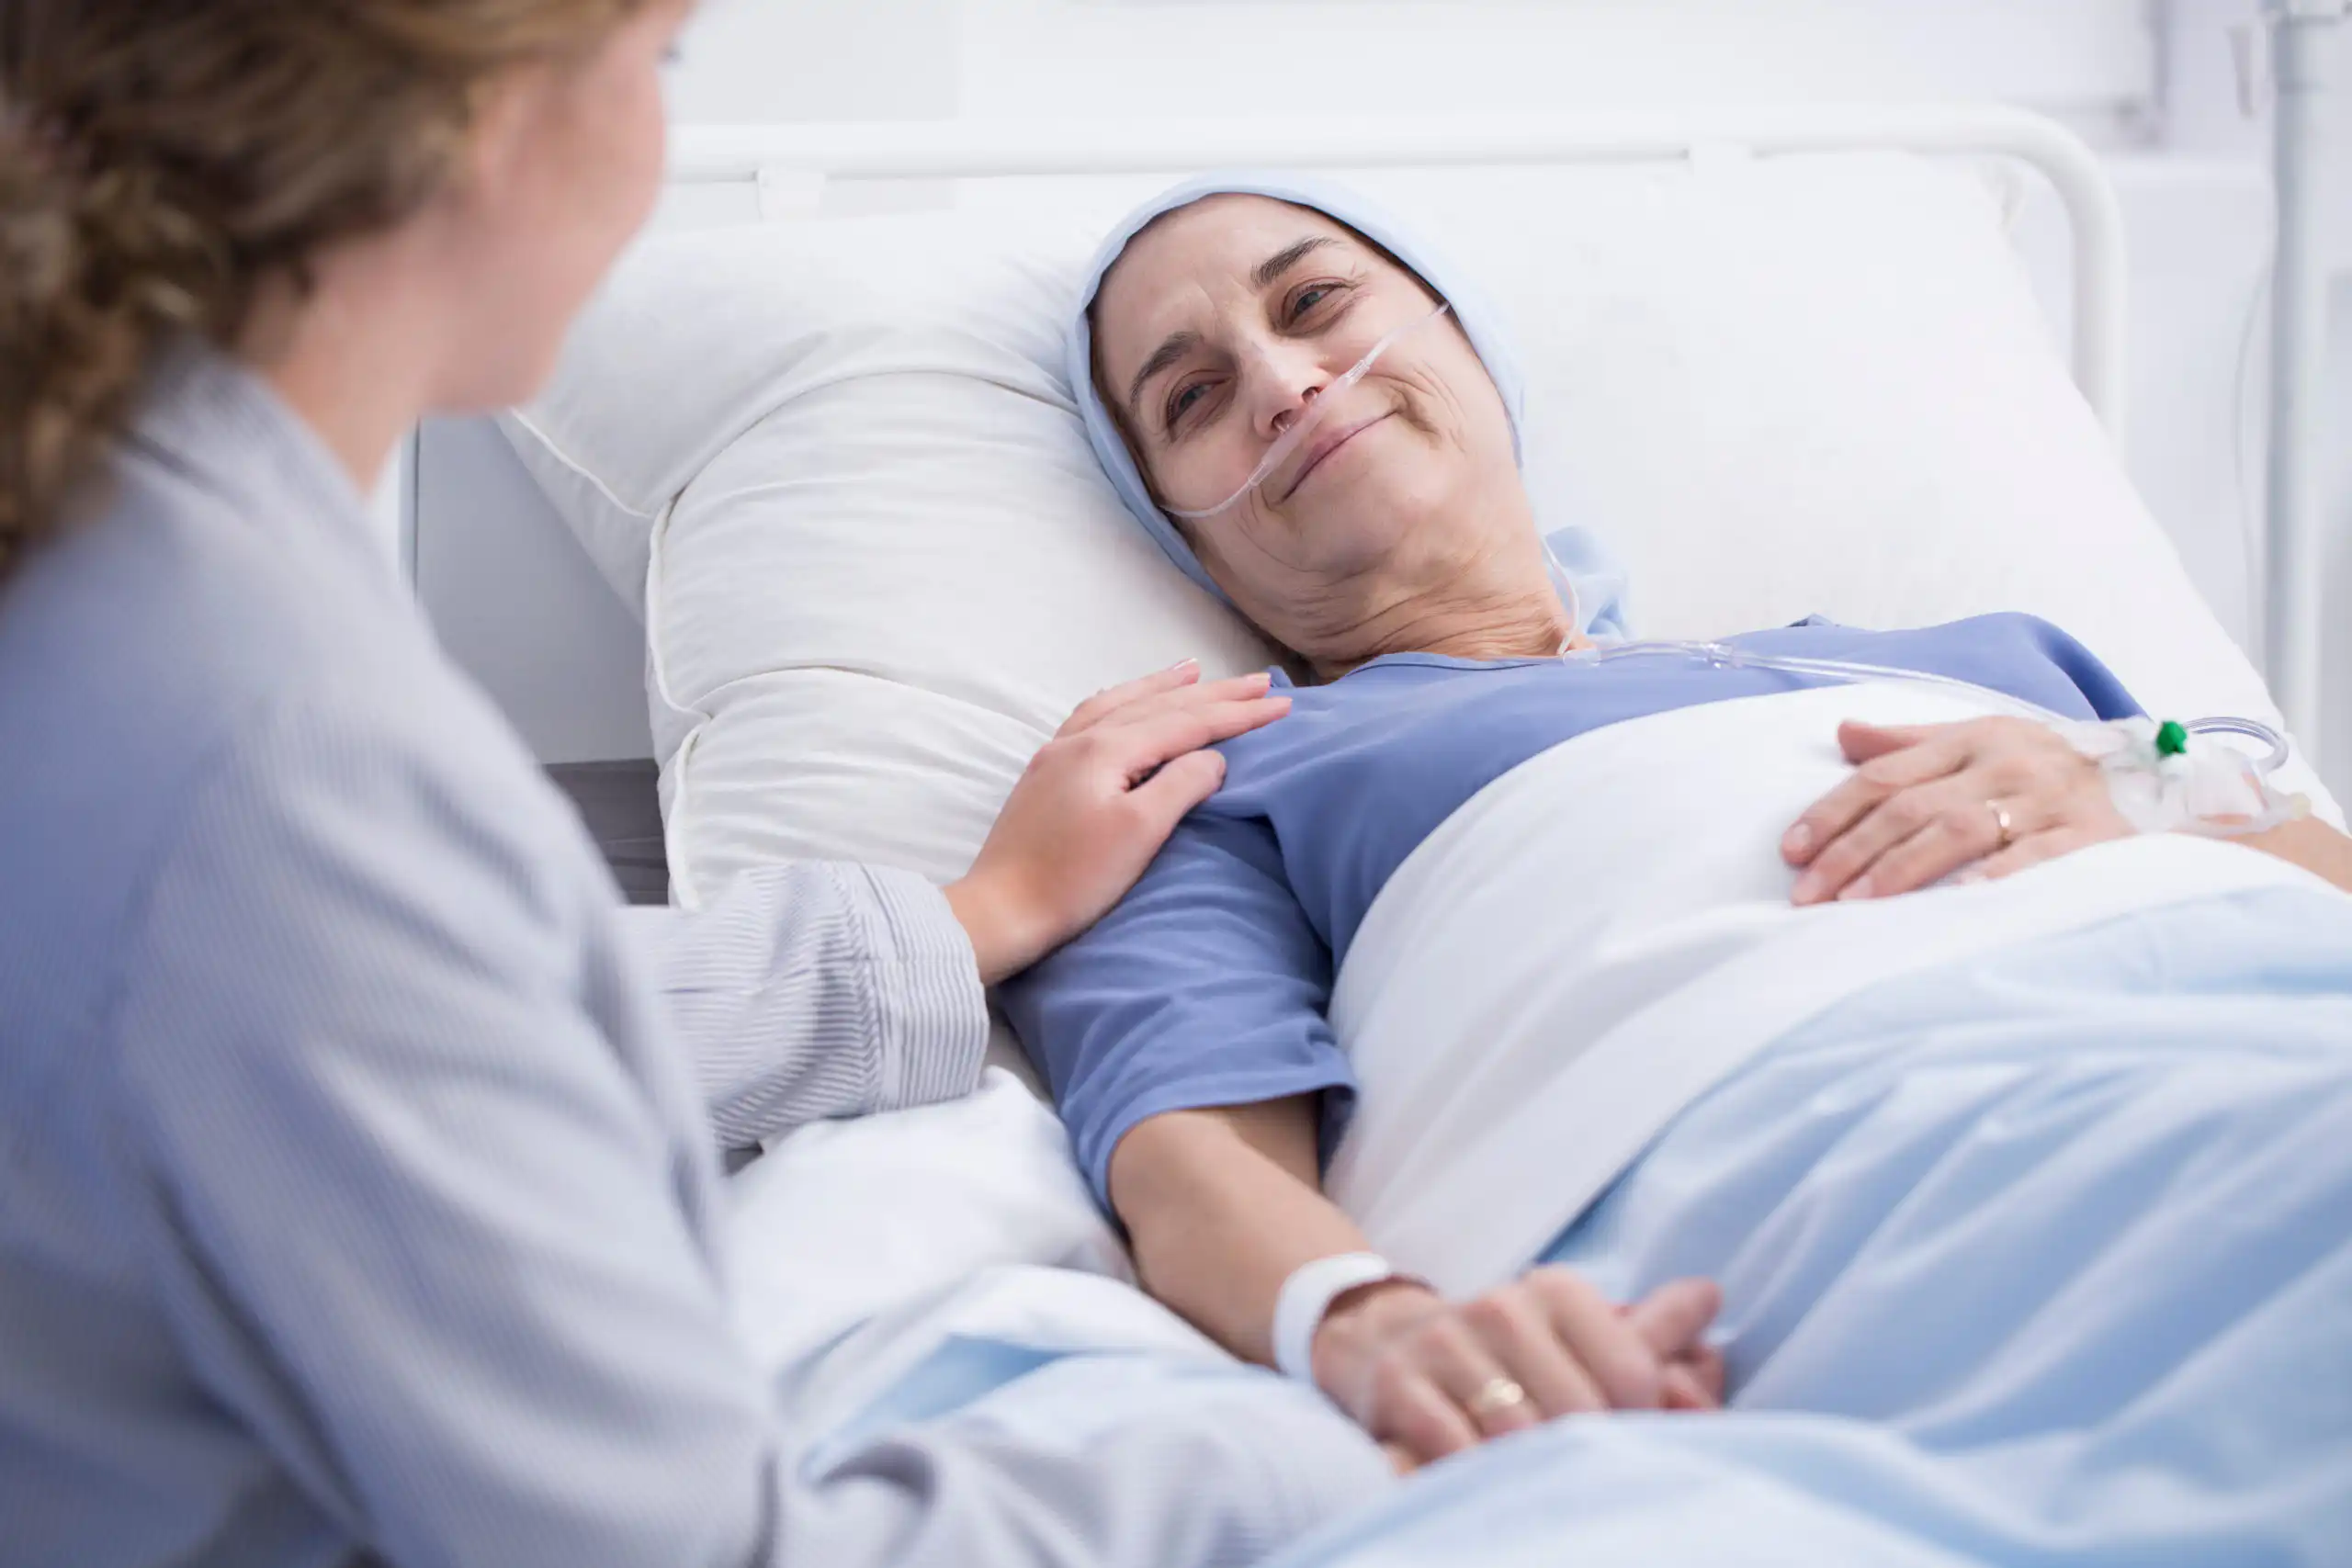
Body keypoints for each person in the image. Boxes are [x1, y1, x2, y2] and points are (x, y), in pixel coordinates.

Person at [0, 9, 1399, 1566]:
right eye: (658, 64)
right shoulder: (276, 762)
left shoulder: (134, 602)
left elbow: (427, 1017)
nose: (1292, 392)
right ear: (488, 119)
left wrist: (963, 916)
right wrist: (1327, 1455)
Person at [999, 175, 2352, 1554]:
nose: (1283, 383)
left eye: (1315, 304)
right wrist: (1376, 1325)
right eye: (1194, 399)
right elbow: (1183, 1146)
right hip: (1869, 1143)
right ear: (1188, 538)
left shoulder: (1995, 657)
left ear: (1471, 345)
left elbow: (2318, 864)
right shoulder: (1216, 781)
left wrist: (2141, 780)